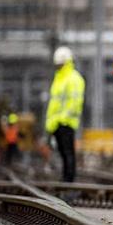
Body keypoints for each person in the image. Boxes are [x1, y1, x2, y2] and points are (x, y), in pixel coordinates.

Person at [45, 46, 85, 182]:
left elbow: (74, 103)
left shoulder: (74, 79)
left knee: (68, 152)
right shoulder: (59, 78)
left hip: (66, 122)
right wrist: (50, 121)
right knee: (62, 152)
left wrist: (62, 118)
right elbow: (54, 103)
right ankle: (65, 178)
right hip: (56, 123)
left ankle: (69, 180)